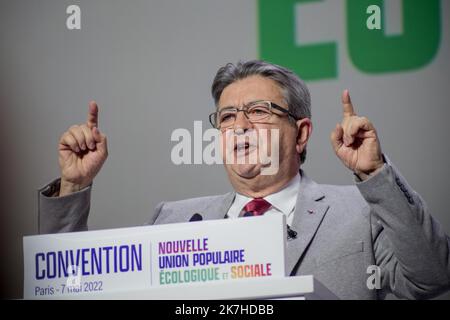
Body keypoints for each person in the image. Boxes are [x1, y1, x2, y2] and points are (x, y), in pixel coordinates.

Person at [38, 60, 450, 299]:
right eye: (229, 116)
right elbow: (66, 287)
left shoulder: (362, 211)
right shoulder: (173, 221)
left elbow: (432, 276)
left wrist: (373, 173)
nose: (240, 126)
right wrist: (74, 186)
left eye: (258, 110)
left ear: (301, 132)